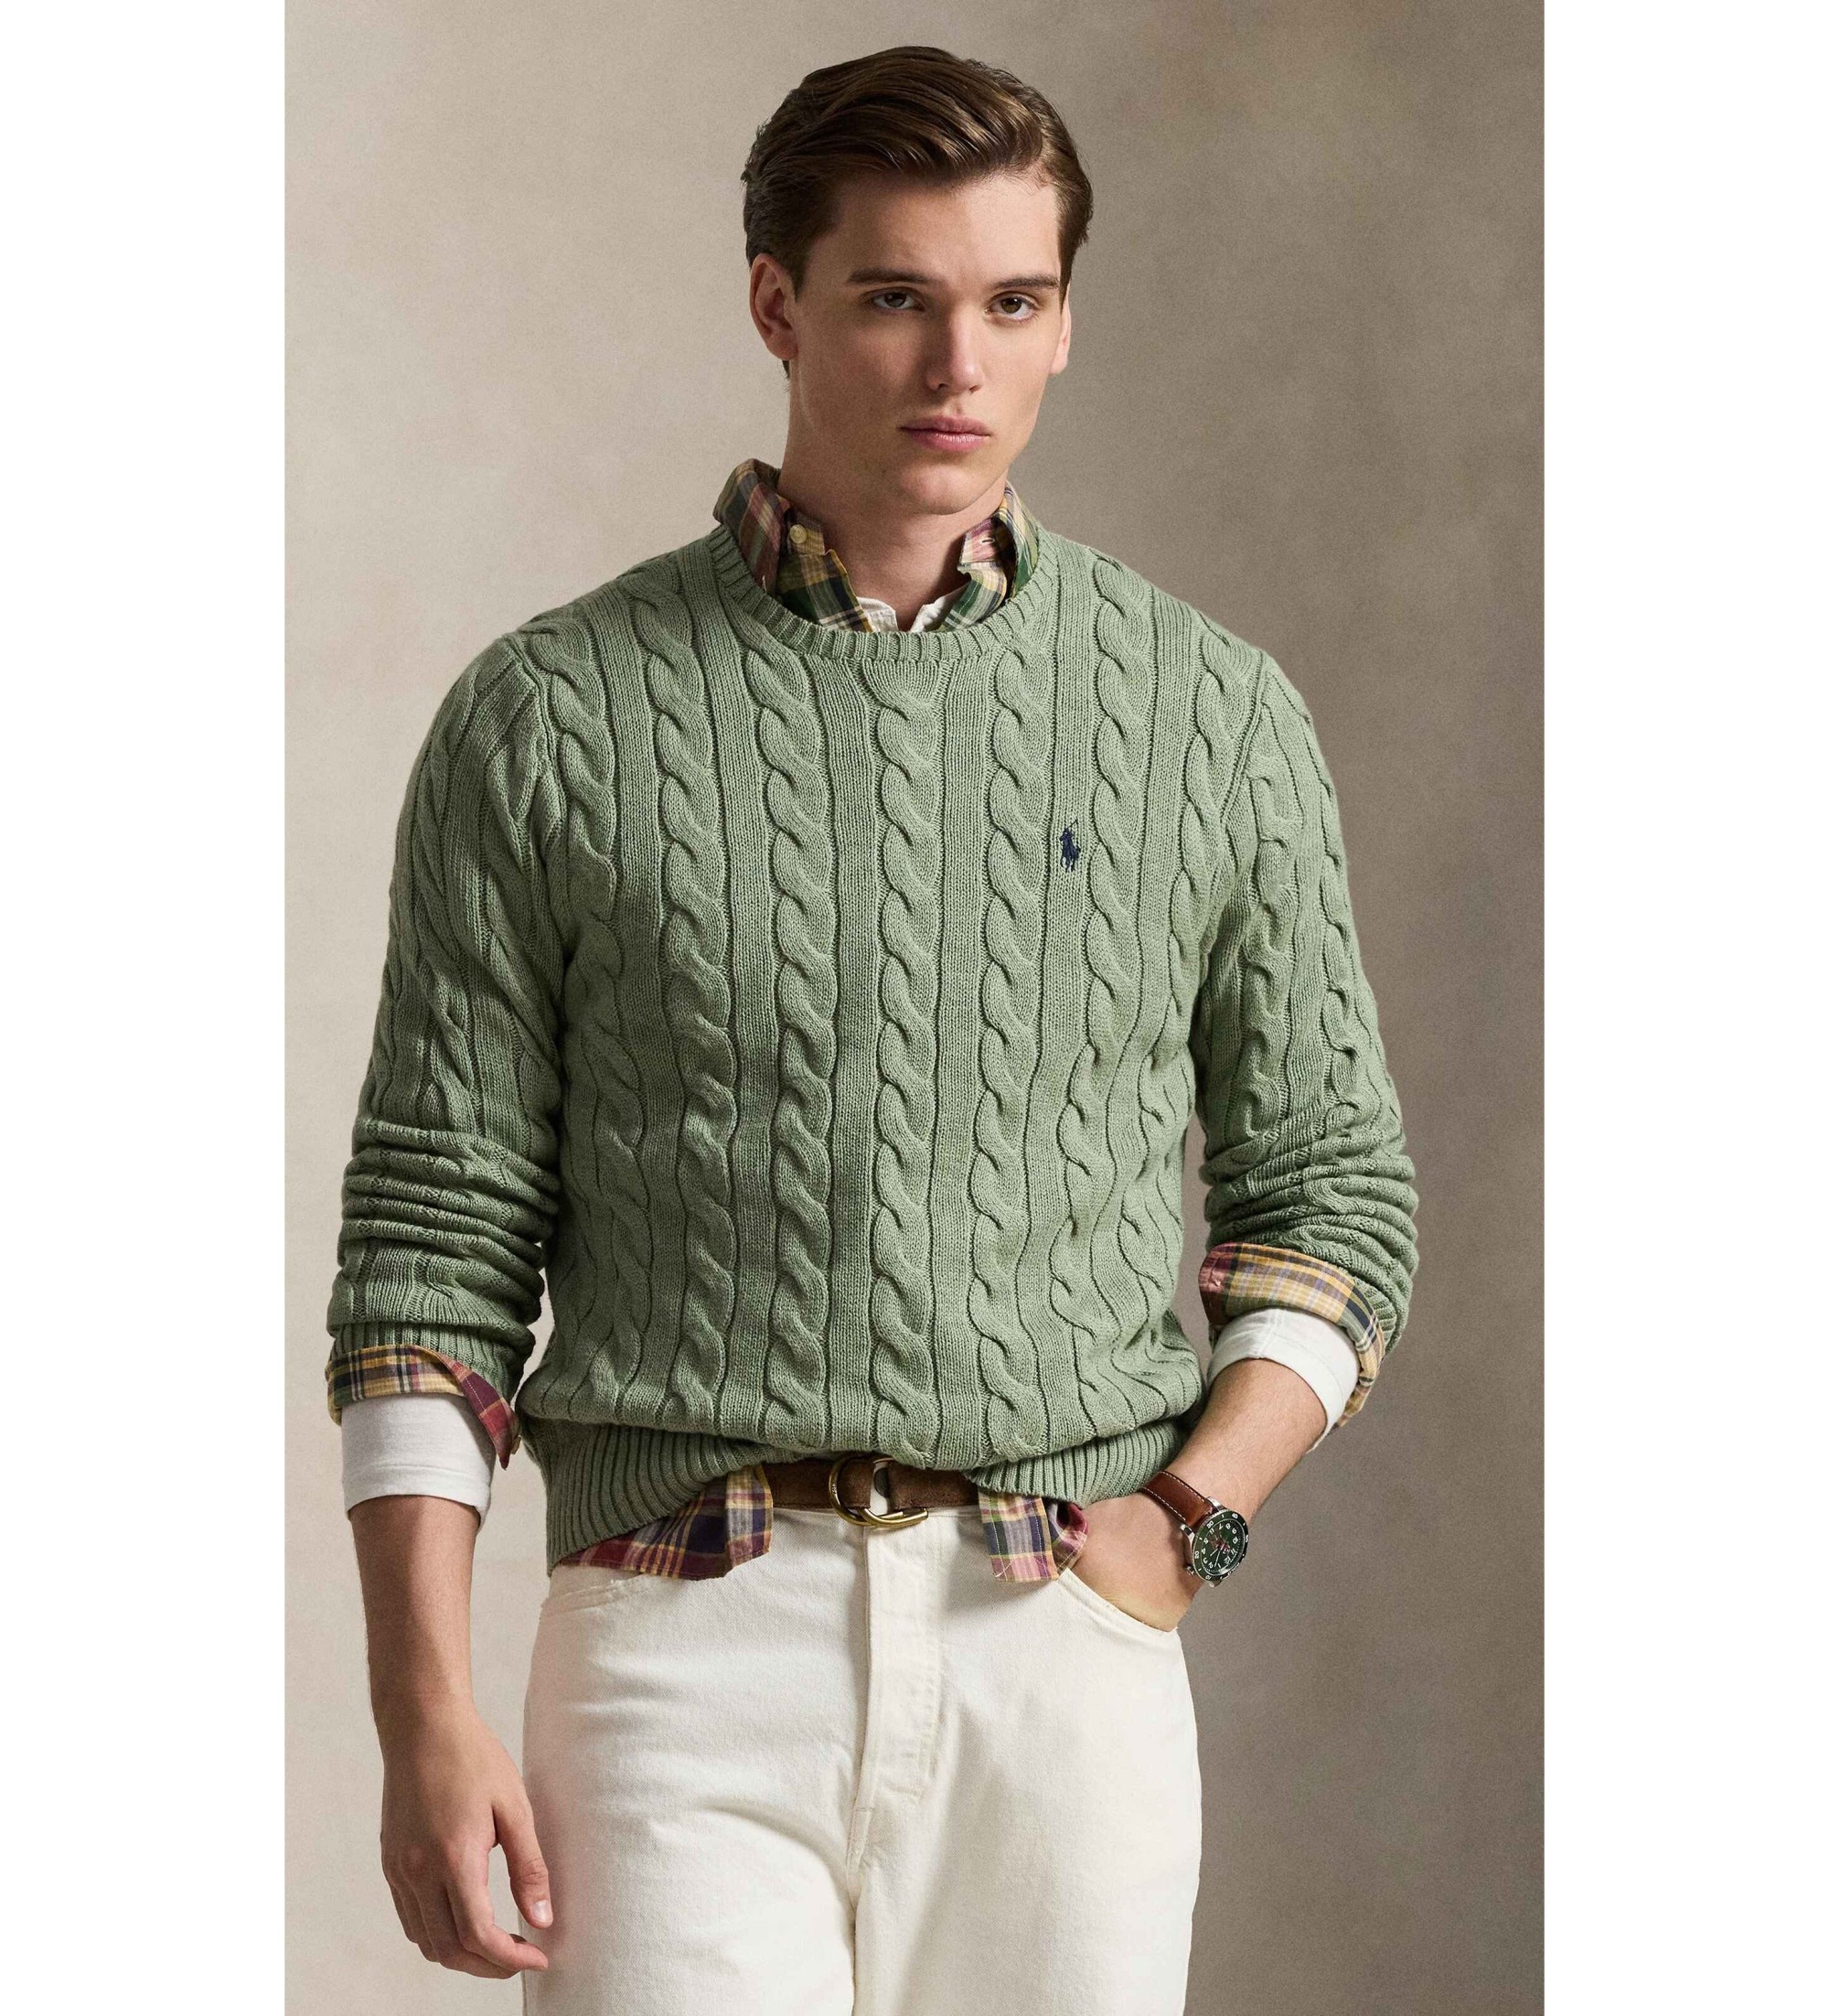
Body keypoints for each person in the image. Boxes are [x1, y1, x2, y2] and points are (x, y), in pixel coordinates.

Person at [326, 43, 1420, 2016]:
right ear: (777, 303)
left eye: (1013, 301)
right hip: (677, 1652)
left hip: (1059, 1647)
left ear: (1065, 319)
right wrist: (422, 1710)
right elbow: (432, 1248)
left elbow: (1334, 1199)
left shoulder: (1212, 714)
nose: (957, 364)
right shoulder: (548, 718)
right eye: (896, 296)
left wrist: (1186, 1525)